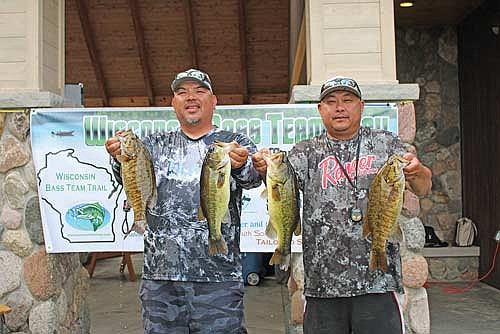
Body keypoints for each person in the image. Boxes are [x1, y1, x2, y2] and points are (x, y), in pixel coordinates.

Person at [252, 75, 432, 334]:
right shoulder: (305, 152)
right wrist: (263, 165)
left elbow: (423, 187)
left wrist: (418, 172)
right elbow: (280, 187)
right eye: (331, 102)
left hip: (377, 283)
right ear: (320, 109)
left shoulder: (385, 143)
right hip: (323, 286)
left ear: (361, 105)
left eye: (347, 100)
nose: (339, 107)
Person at [105, 68, 262, 334]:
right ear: (173, 103)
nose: (191, 97)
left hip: (218, 279)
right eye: (182, 92)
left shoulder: (234, 143)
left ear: (214, 101)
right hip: (160, 282)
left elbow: (254, 180)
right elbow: (129, 180)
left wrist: (242, 165)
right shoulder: (152, 145)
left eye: (200, 91)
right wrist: (117, 156)